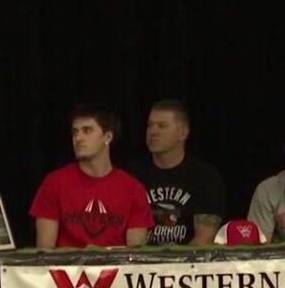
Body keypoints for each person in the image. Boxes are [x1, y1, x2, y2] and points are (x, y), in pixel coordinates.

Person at [30, 103, 152, 248]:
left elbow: (136, 255)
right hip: (66, 270)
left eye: (87, 131)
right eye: (75, 132)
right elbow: (44, 253)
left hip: (115, 268)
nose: (78, 138)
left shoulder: (133, 188)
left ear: (107, 136)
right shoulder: (55, 183)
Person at [127, 99, 225, 245]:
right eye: (150, 125)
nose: (153, 131)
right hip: (142, 265)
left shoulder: (205, 177)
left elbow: (204, 239)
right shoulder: (131, 175)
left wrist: (176, 267)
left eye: (162, 126)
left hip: (188, 264)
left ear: (183, 133)